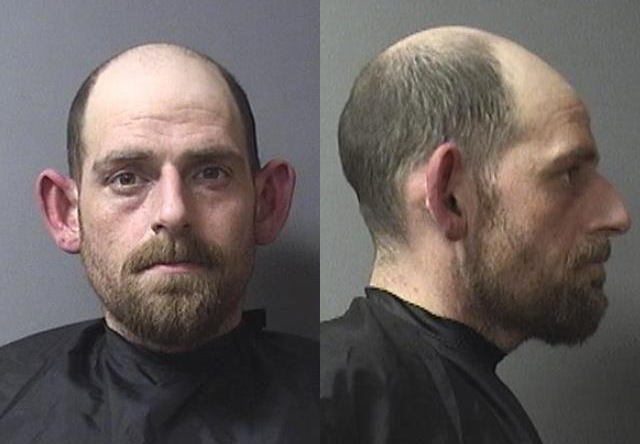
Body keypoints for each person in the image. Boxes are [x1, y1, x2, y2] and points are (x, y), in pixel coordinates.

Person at [321, 26, 631, 443]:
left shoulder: (447, 394)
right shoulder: (331, 401)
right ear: (450, 197)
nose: (617, 215)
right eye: (569, 173)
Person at [0, 43, 318, 442]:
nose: (173, 211)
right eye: (126, 178)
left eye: (211, 173)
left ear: (267, 203)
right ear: (65, 213)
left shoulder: (347, 408)